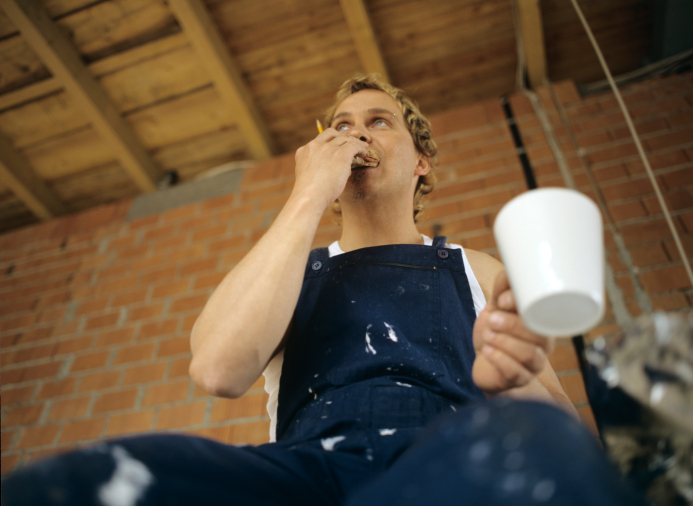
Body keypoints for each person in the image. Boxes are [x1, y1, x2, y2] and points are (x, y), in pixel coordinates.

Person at [2, 75, 648, 506]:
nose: (355, 133)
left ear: (420, 161)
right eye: (339, 124)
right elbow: (217, 369)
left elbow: (571, 444)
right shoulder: (291, 265)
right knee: (81, 485)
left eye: (378, 121)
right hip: (305, 473)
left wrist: (514, 379)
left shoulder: (470, 265)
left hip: (454, 460)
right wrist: (308, 191)